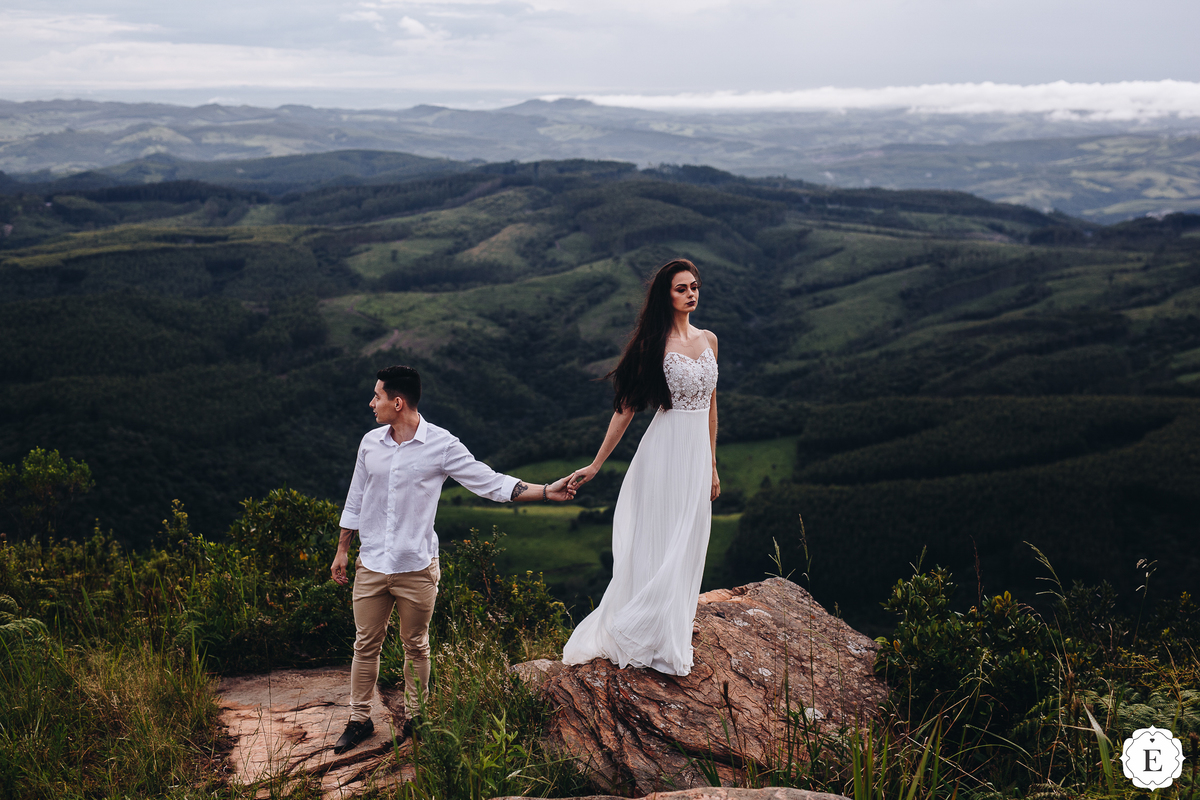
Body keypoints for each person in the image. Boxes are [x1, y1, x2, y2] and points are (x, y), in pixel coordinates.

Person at [330, 365, 576, 754]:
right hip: (372, 563)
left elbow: (490, 482)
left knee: (416, 645)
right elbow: (355, 497)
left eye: (376, 396)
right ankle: (359, 720)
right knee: (365, 645)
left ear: (398, 402)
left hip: (417, 567)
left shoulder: (442, 445)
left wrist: (546, 491)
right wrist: (343, 548)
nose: (371, 402)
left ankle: (417, 716)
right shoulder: (369, 443)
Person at [563, 258, 719, 676]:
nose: (691, 293)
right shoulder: (655, 344)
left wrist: (713, 463)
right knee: (665, 538)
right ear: (665, 296)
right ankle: (647, 631)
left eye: (695, 286)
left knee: (690, 540)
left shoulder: (710, 340)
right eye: (681, 288)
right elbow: (626, 408)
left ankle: (674, 622)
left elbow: (711, 405)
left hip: (696, 455)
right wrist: (596, 464)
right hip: (665, 452)